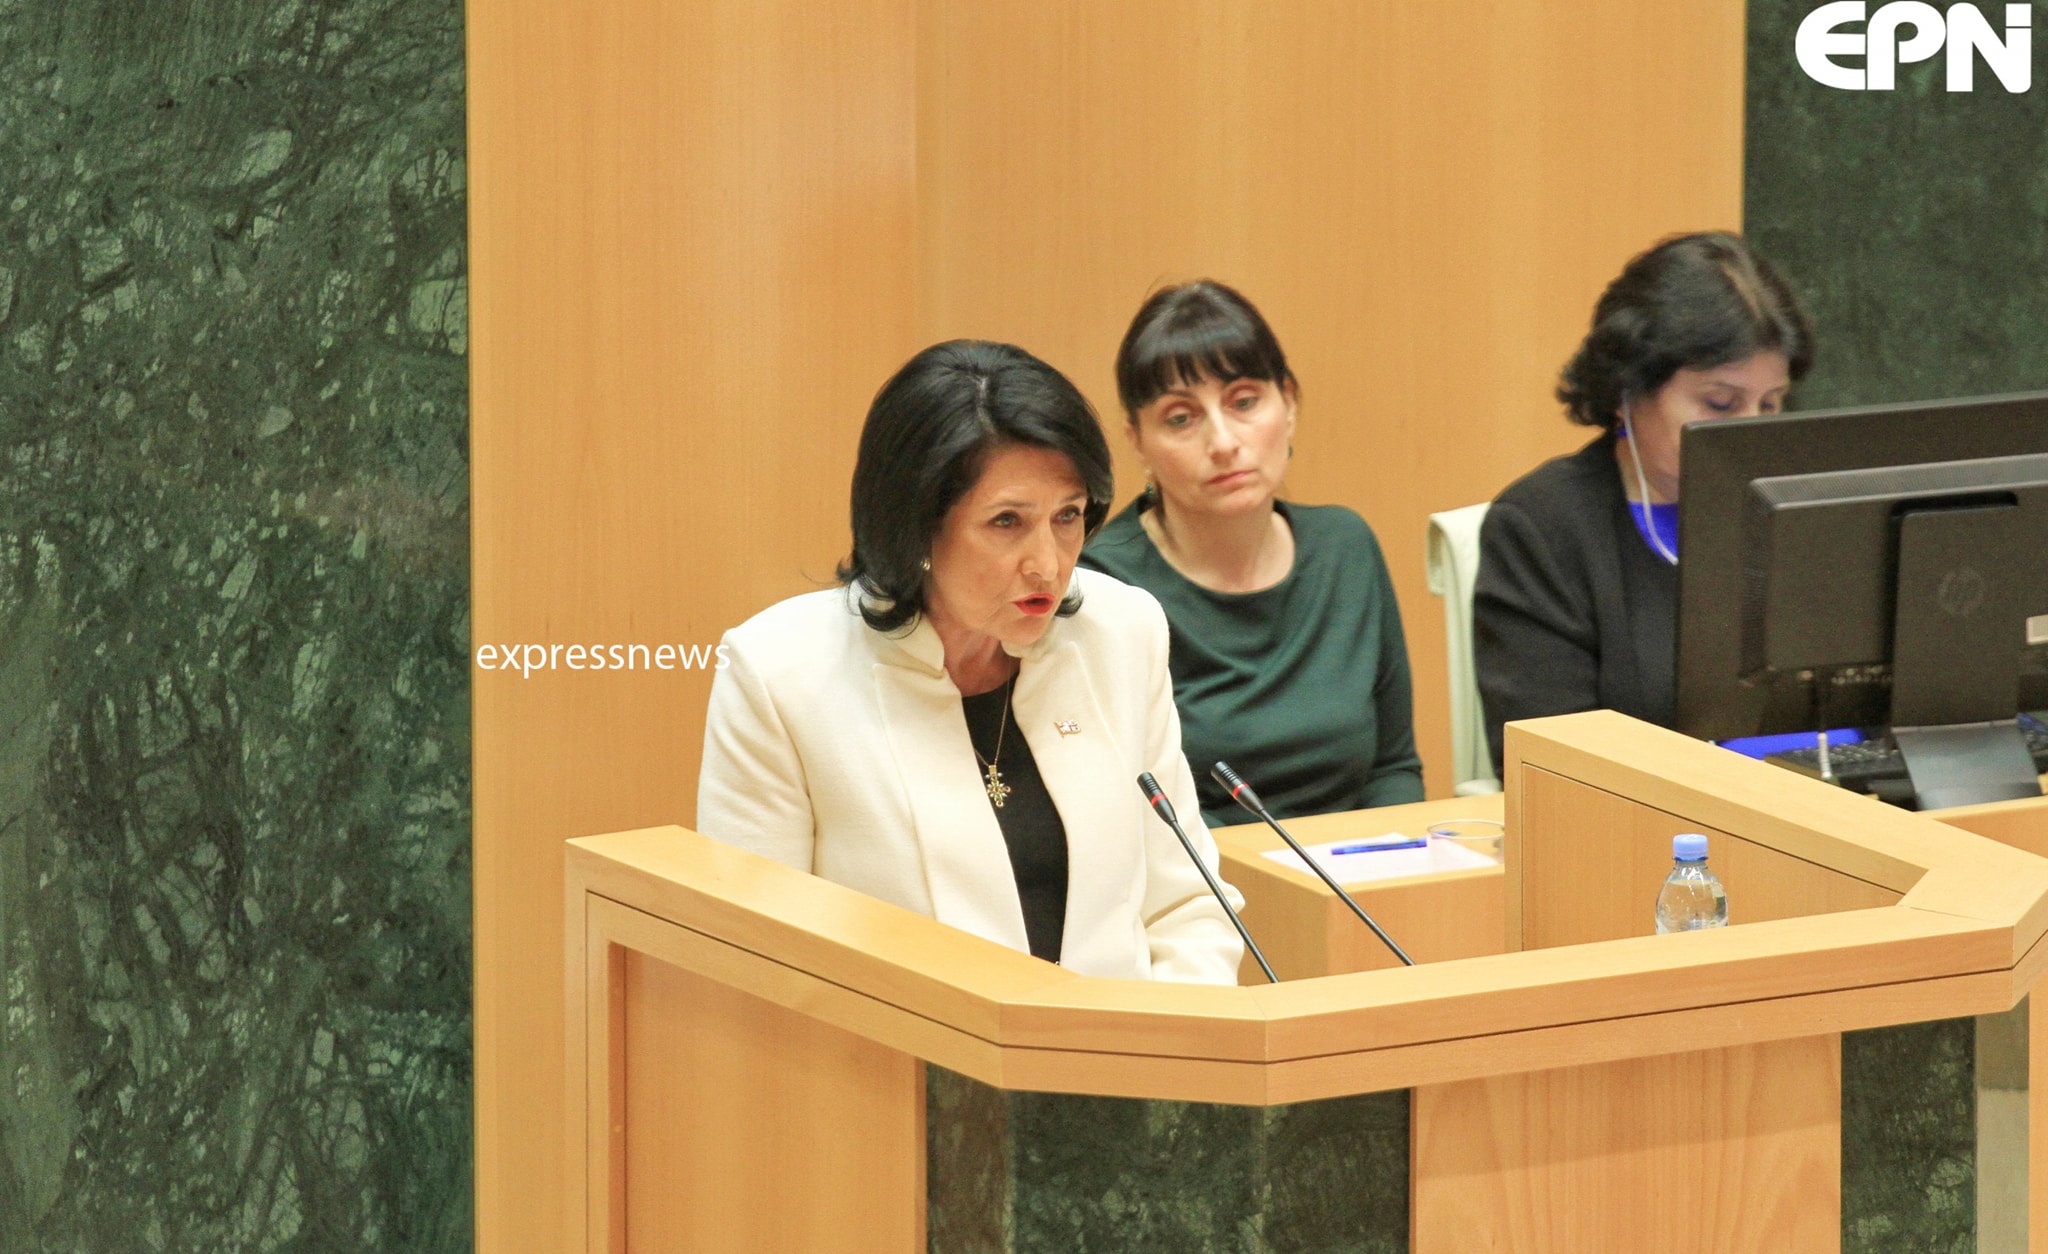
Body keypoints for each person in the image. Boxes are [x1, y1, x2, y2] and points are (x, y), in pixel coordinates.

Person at [696, 339, 1244, 984]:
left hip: (1125, 1040)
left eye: (1068, 516)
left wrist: (1173, 1038)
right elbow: (759, 960)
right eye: (1007, 522)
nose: (1049, 563)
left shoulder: (1122, 631)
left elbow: (1186, 904)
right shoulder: (779, 674)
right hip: (900, 1047)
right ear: (917, 523)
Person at [1080, 280, 1423, 827]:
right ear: (1137, 439)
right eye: (1181, 418)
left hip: (1358, 868)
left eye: (1244, 402)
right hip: (1203, 876)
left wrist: (1392, 860)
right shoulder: (1104, 586)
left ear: (1288, 403)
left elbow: (1392, 767)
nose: (1222, 442)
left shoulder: (1345, 547)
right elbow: (1137, 808)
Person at [1474, 231, 1815, 770]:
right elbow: (1554, 768)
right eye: (1720, 403)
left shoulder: (1805, 509)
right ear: (1627, 391)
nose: (1750, 433)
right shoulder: (1543, 528)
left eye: (1770, 405)